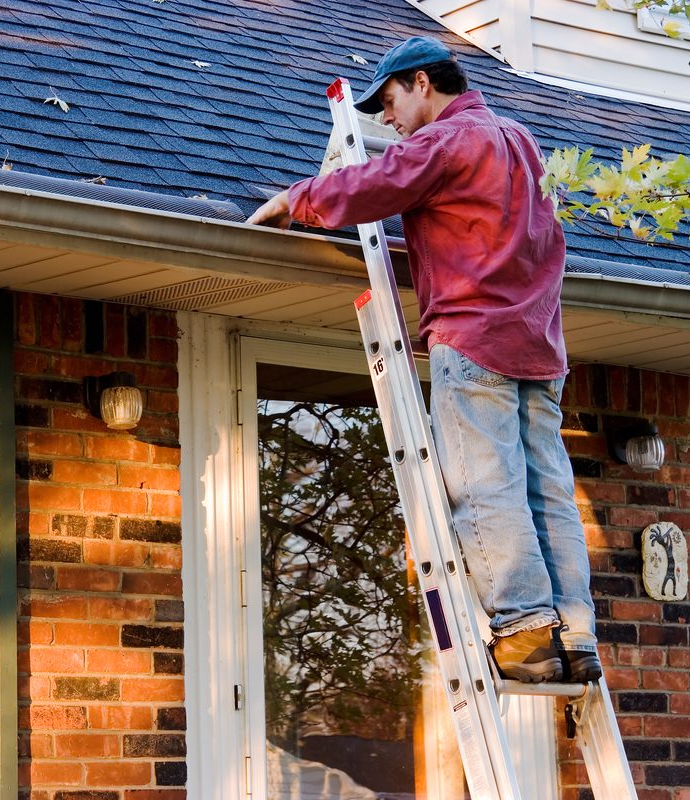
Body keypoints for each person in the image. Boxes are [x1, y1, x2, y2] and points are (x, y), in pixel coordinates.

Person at [247, 35, 600, 683]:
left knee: (484, 485)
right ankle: (574, 634)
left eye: (387, 101)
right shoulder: (521, 141)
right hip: (539, 347)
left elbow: (383, 180)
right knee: (547, 490)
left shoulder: (449, 140)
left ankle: (523, 631)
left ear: (420, 83)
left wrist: (298, 199)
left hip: (476, 344)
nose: (384, 120)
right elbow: (524, 248)